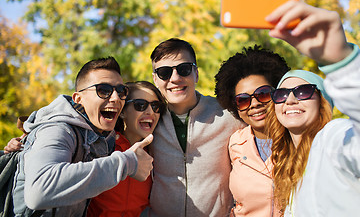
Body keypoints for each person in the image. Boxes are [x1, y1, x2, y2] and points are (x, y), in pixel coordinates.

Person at [11, 57, 154, 216]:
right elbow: (39, 191)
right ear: (78, 99)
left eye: (121, 91)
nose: (115, 98)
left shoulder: (103, 135)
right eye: (104, 90)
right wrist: (128, 163)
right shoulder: (58, 129)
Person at [264, 0, 359, 216]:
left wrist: (341, 62)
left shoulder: (335, 138)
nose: (290, 100)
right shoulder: (284, 163)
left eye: (303, 92)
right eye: (281, 94)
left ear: (323, 102)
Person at [148, 38, 246, 216]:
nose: (175, 78)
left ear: (196, 73)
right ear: (155, 79)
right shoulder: (148, 119)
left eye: (184, 69)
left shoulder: (228, 114)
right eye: (164, 72)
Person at [214, 45, 290, 217]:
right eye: (243, 100)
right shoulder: (234, 143)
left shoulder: (300, 138)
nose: (254, 104)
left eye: (263, 94)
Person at [86, 81, 166, 217]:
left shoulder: (157, 154)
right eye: (140, 105)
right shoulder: (101, 147)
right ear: (122, 112)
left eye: (155, 106)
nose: (150, 111)